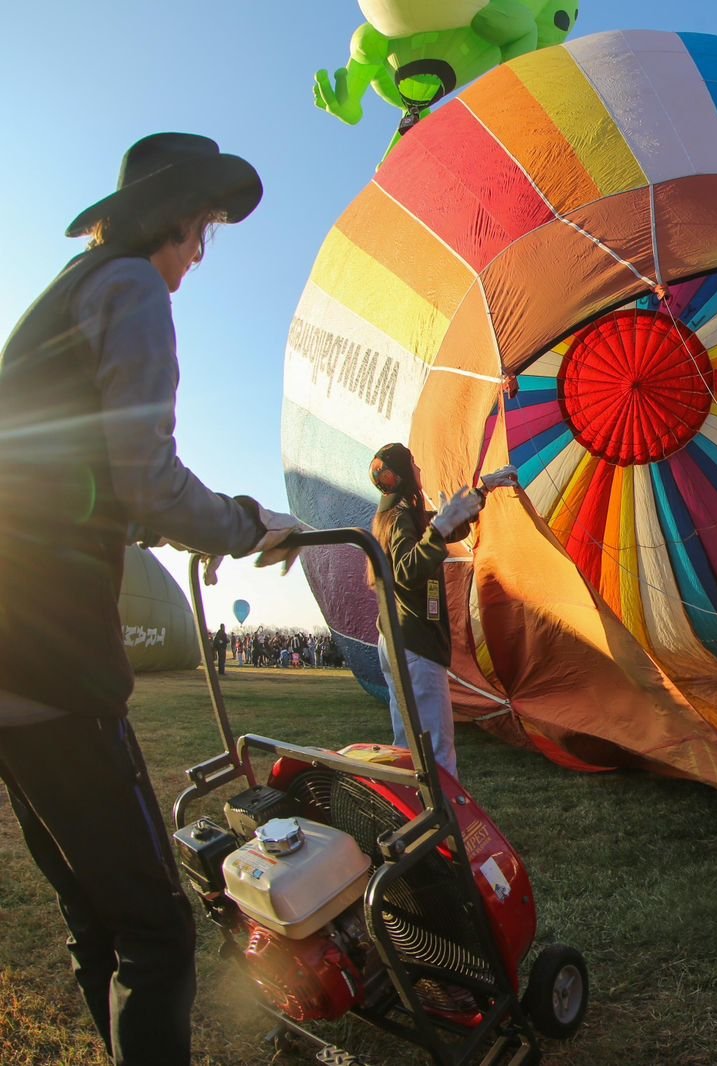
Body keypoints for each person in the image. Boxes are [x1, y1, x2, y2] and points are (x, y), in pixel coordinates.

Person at [0, 133, 302, 1064]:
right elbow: (145, 479)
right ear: (177, 220)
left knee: (95, 916)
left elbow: (75, 481)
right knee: (158, 935)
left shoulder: (61, 297)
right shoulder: (130, 287)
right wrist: (251, 525)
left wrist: (169, 525)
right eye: (204, 229)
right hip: (55, 660)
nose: (199, 255)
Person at [367, 443, 518, 778]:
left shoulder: (395, 515)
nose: (420, 470)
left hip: (397, 641)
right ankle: (444, 819)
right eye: (415, 464)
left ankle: (409, 808)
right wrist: (436, 532)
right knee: (435, 744)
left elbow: (449, 524)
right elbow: (408, 568)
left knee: (407, 741)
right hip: (415, 646)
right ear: (404, 474)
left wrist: (485, 489)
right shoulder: (400, 519)